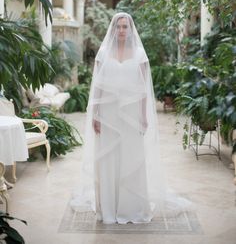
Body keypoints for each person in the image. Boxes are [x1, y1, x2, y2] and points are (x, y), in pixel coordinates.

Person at [71, 12, 187, 224]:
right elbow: (97, 86)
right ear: (113, 29)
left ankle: (131, 207)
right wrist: (95, 114)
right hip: (107, 114)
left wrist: (143, 116)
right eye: (119, 27)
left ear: (130, 29)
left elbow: (143, 89)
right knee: (108, 159)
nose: (122, 30)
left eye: (125, 27)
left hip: (132, 114)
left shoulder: (140, 53)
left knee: (131, 158)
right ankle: (109, 208)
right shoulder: (103, 53)